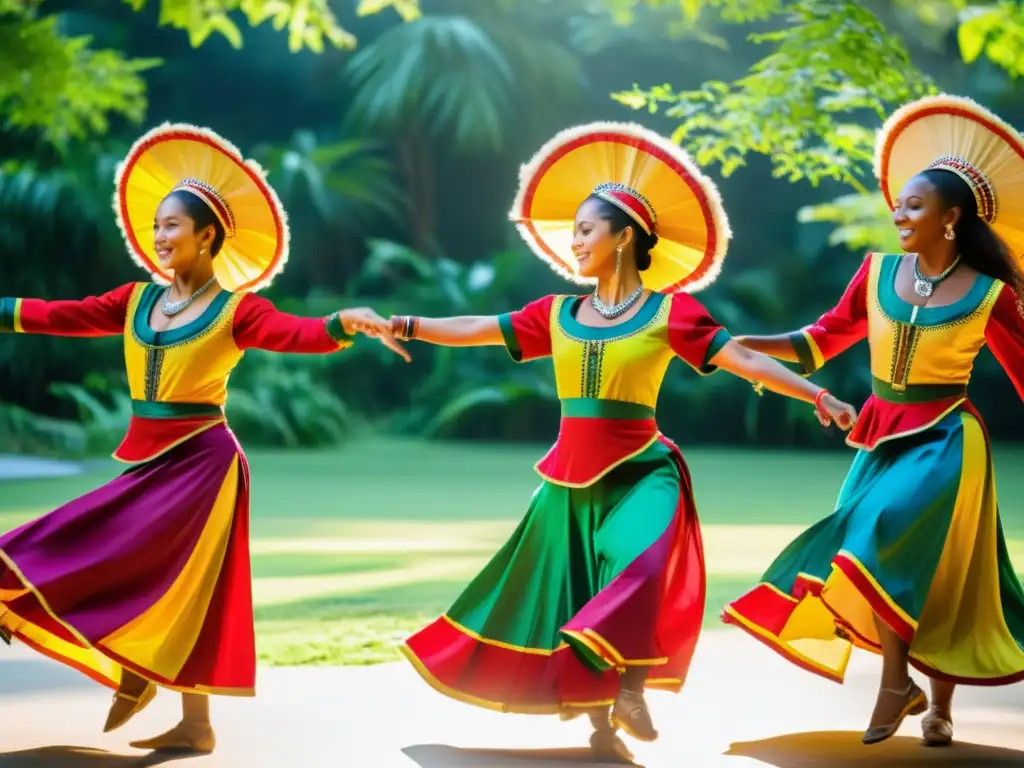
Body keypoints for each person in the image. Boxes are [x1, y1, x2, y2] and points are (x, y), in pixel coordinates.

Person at [390, 122, 858, 761]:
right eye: (574, 230)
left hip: (645, 472)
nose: (575, 241)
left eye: (586, 229)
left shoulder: (673, 313)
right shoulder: (554, 313)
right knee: (572, 594)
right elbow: (477, 326)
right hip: (567, 481)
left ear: (624, 237)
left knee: (638, 566)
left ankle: (632, 687)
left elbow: (744, 360)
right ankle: (601, 724)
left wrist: (817, 396)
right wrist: (408, 324)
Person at [0, 123, 407, 753]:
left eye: (173, 227)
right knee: (90, 545)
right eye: (157, 225)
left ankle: (180, 709)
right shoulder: (134, 300)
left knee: (193, 589)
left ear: (208, 234)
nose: (160, 238)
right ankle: (165, 693)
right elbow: (61, 315)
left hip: (205, 466)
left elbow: (297, 334)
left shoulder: (238, 309)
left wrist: (341, 324)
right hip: (148, 463)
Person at [723, 94, 1024, 747]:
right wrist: (751, 344)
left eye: (915, 205)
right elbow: (823, 337)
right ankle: (917, 695)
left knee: (906, 545)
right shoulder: (876, 272)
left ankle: (907, 689)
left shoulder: (991, 293)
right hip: (879, 438)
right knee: (903, 559)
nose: (900, 212)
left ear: (951, 219)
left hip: (950, 438)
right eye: (900, 203)